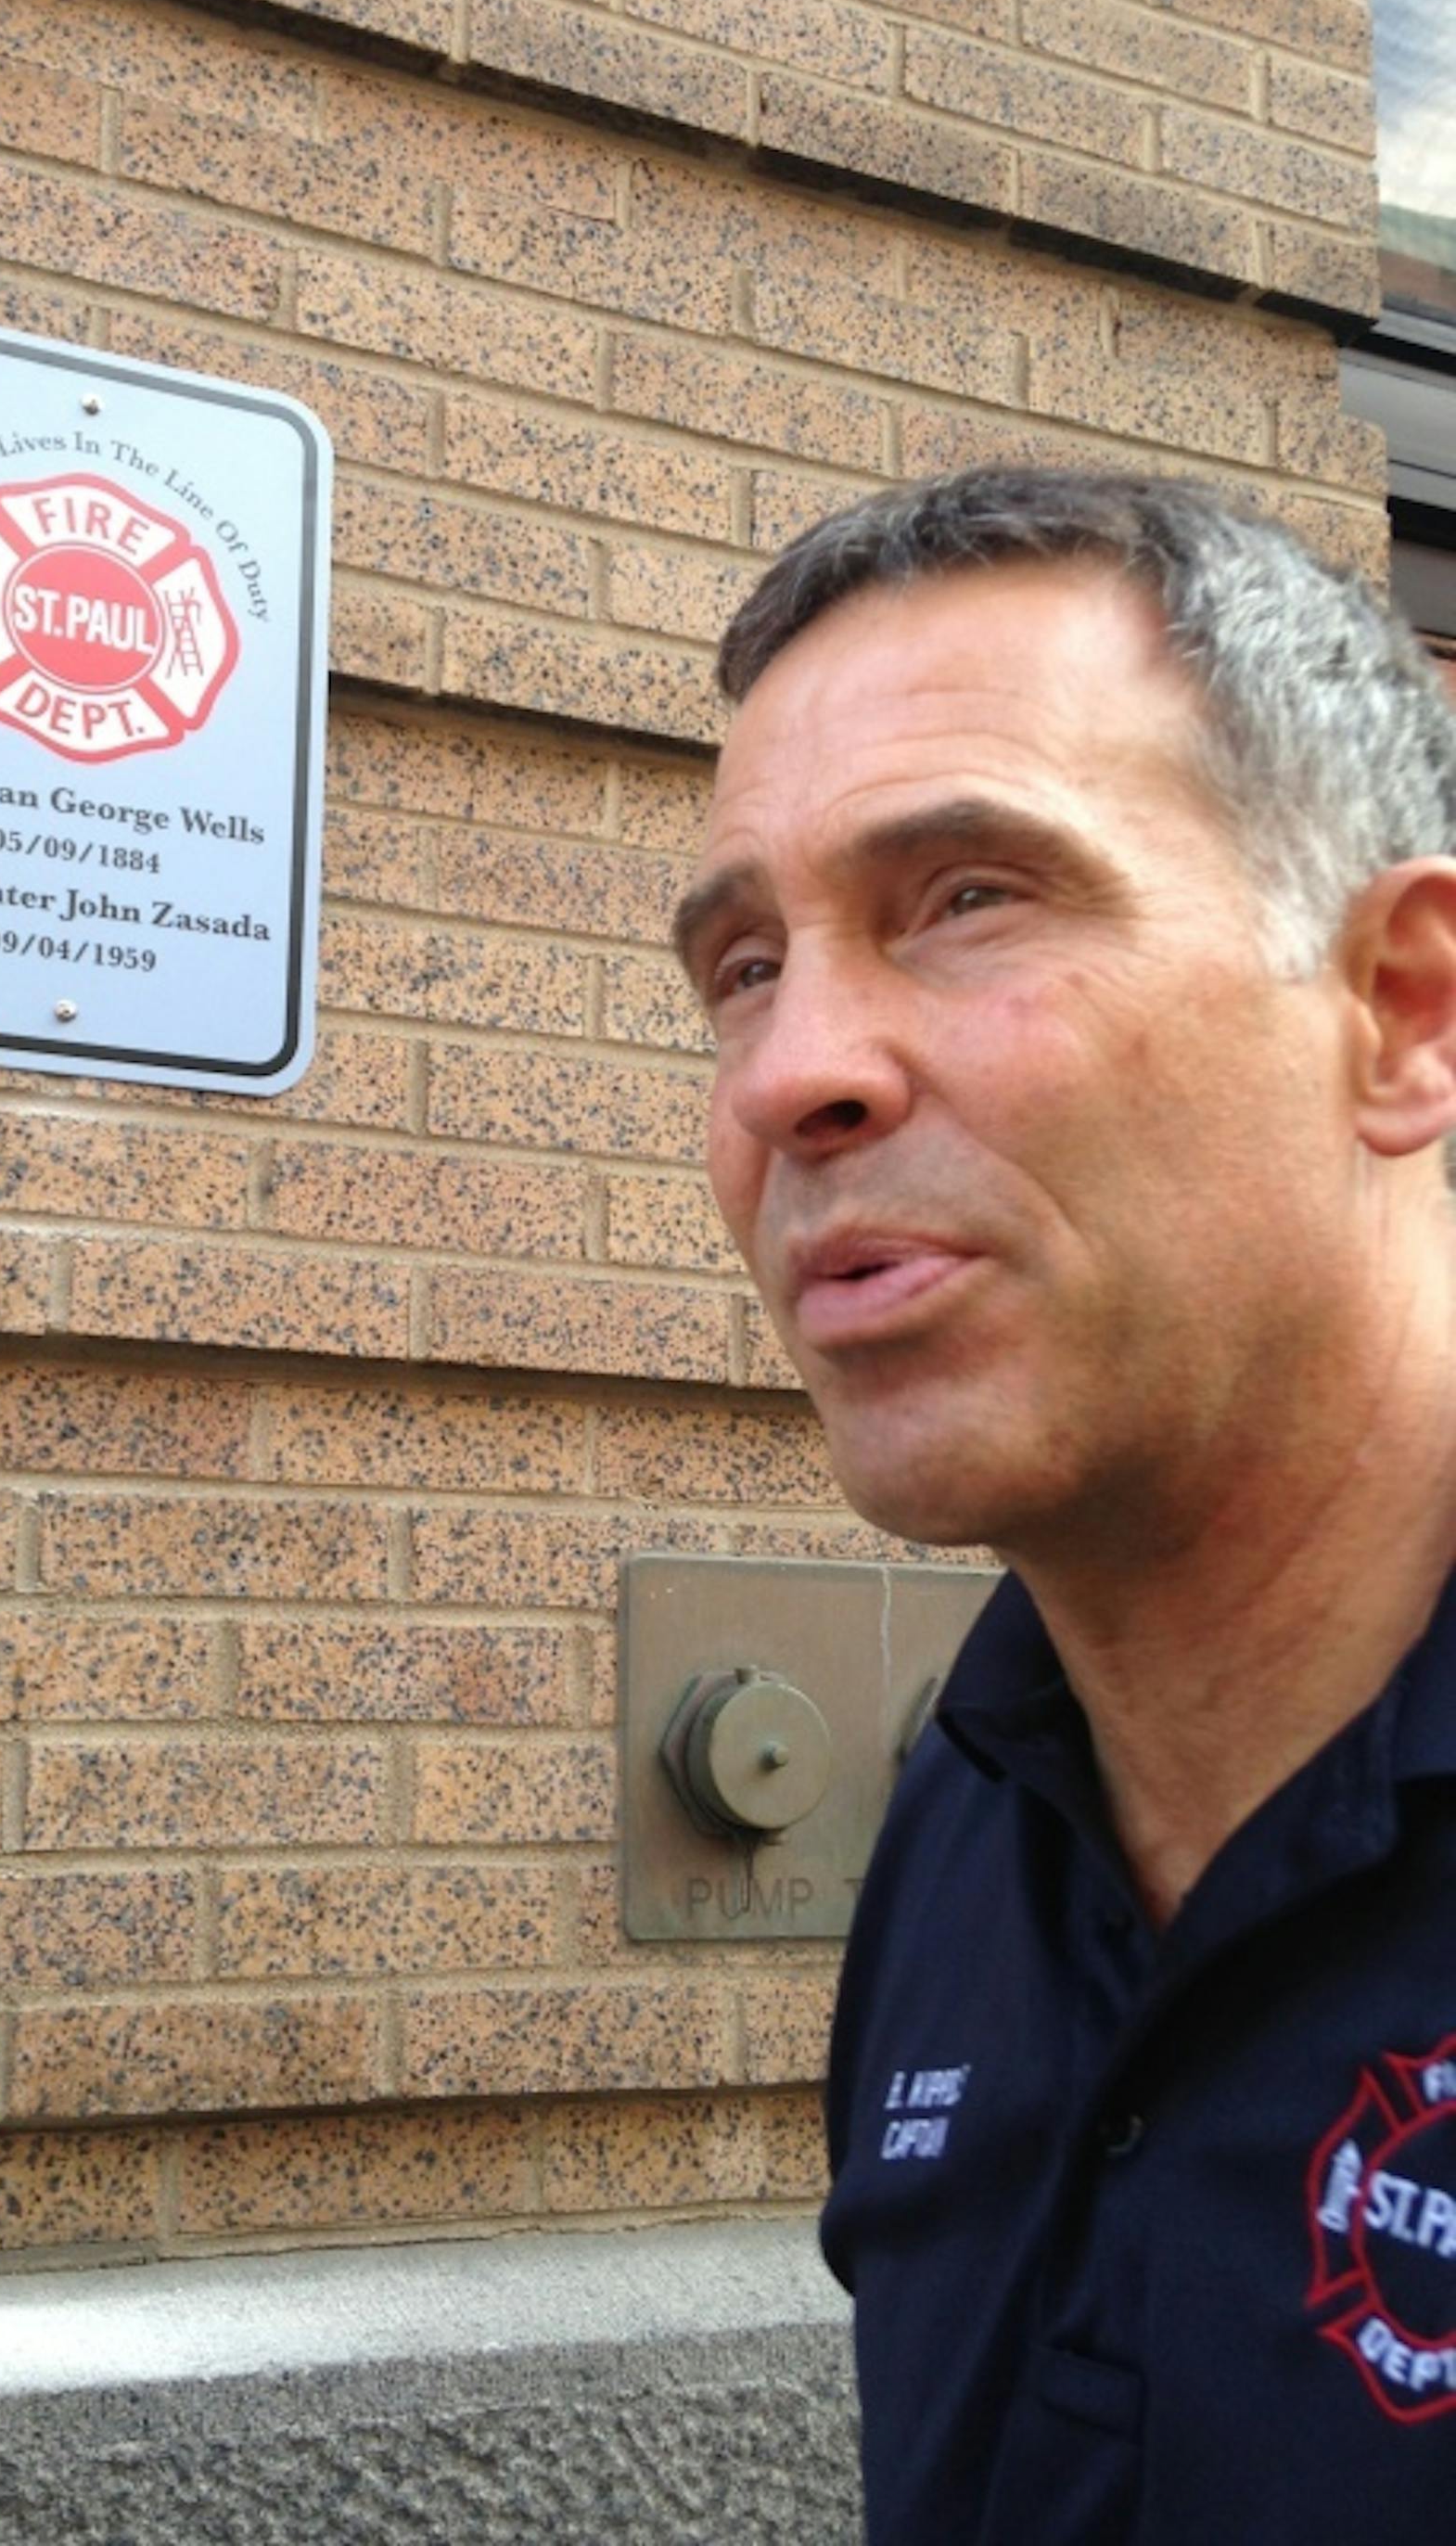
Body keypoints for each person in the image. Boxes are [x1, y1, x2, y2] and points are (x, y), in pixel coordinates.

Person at [673, 467, 1456, 2542]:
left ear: (1402, 1011)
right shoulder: (964, 1834)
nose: (787, 1075)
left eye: (969, 898)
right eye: (743, 965)